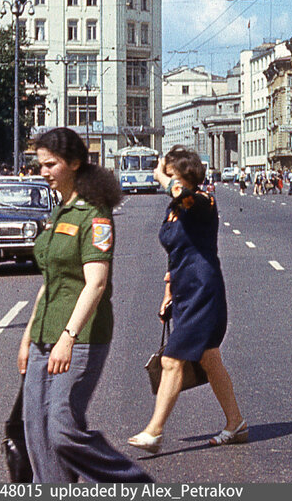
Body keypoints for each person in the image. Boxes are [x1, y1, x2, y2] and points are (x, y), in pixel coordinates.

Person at [17, 127, 153, 483]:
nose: (43, 171)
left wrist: (68, 336)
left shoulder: (94, 213)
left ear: (74, 163)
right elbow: (50, 283)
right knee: (37, 431)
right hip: (43, 336)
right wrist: (27, 337)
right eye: (40, 165)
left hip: (81, 335)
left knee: (62, 428)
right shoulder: (59, 211)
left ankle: (131, 482)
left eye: (51, 164)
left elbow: (96, 283)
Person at [130, 147, 246, 452]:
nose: (163, 177)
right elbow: (176, 253)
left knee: (171, 360)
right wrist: (168, 292)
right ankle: (236, 423)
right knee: (209, 358)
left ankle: (154, 432)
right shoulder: (175, 208)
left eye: (169, 173)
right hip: (184, 291)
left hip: (202, 292)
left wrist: (162, 179)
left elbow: (184, 196)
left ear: (183, 176)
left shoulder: (202, 202)